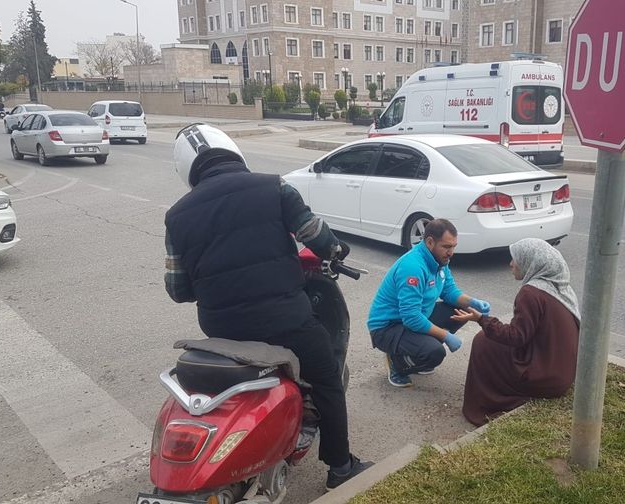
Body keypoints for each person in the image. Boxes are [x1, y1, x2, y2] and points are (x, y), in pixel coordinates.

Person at [164, 123, 372, 491]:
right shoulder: (273, 186)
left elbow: (178, 290)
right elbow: (314, 234)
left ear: (187, 171)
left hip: (221, 329)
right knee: (326, 376)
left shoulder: (176, 216)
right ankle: (340, 466)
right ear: (233, 153)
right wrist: (337, 250)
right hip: (286, 319)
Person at [452, 238, 580, 426]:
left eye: (516, 259)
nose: (511, 264)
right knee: (492, 337)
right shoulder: (560, 287)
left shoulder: (530, 293)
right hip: (564, 375)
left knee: (483, 341)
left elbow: (516, 337)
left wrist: (481, 319)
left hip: (546, 378)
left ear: (531, 262)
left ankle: (486, 404)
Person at [367, 218, 491, 388]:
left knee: (459, 311)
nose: (451, 252)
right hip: (388, 327)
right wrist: (445, 336)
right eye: (446, 247)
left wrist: (472, 302)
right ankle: (397, 361)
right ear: (430, 242)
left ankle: (416, 350)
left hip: (414, 316)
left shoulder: (439, 260)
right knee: (434, 353)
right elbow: (411, 317)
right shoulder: (413, 267)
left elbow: (449, 291)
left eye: (454, 246)